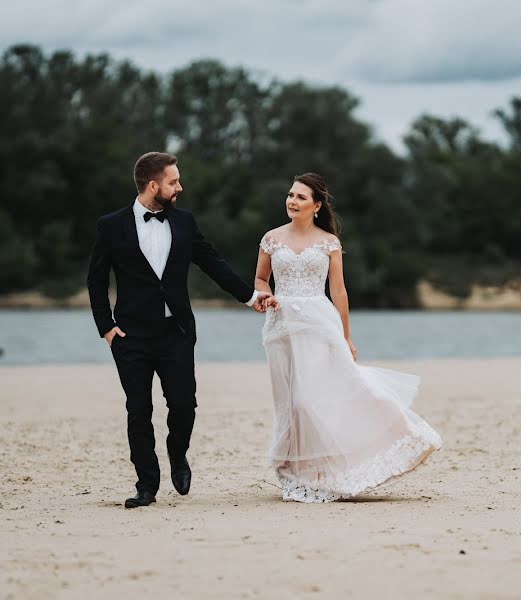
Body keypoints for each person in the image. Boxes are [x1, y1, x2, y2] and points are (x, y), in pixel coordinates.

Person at [87, 152, 273, 509]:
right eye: (174, 181)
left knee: (184, 404)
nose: (180, 187)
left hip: (177, 332)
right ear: (153, 185)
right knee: (138, 409)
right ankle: (147, 485)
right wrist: (106, 328)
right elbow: (96, 280)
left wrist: (250, 297)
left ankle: (177, 453)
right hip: (130, 336)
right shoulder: (111, 225)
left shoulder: (185, 222)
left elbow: (213, 263)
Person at [255, 173, 441, 502]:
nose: (292, 201)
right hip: (281, 326)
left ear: (316, 206)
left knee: (318, 396)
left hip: (319, 323)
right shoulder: (271, 238)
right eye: (290, 195)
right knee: (291, 402)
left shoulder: (328, 242)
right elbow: (260, 278)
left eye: (300, 197)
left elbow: (338, 291)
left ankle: (406, 434)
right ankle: (297, 475)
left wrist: (346, 336)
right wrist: (265, 295)